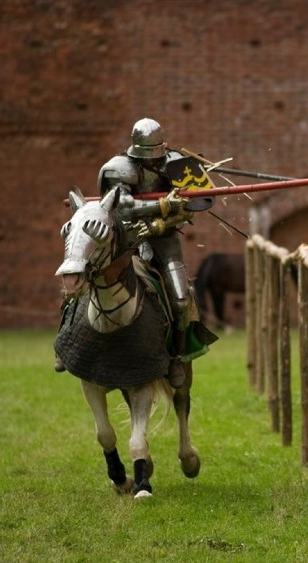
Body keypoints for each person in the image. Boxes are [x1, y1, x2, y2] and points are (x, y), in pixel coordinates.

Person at [56, 118, 208, 388]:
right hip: (125, 239)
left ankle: (176, 356)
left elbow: (194, 203)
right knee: (84, 274)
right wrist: (163, 203)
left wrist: (177, 208)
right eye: (146, 157)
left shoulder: (175, 164)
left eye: (155, 156)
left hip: (164, 239)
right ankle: (64, 338)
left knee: (182, 298)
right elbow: (122, 206)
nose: (151, 163)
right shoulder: (120, 169)